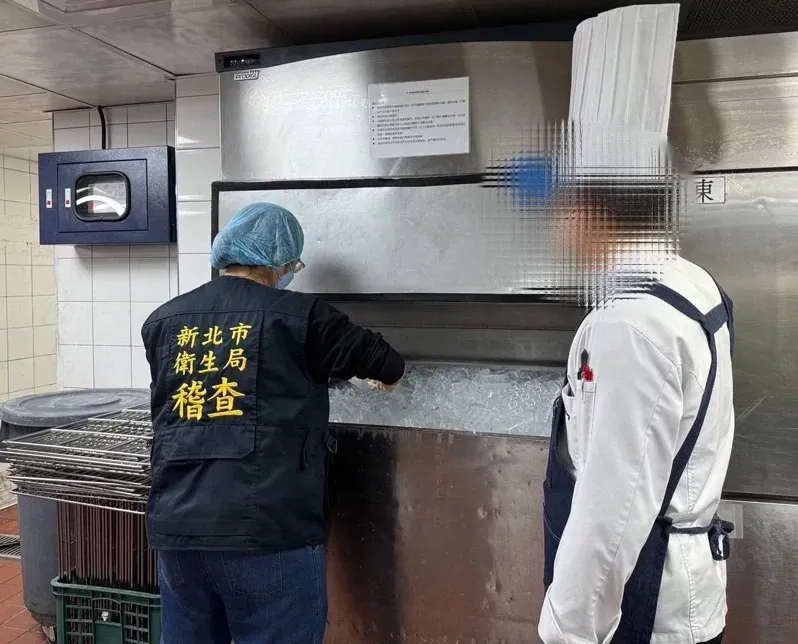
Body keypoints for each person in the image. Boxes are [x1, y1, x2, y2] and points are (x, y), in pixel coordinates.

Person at [141, 202, 405, 644]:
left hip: (178, 530)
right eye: (293, 265)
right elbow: (389, 365)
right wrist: (374, 382)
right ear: (279, 261)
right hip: (267, 531)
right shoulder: (303, 316)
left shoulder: (163, 320)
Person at [538, 181, 734, 644]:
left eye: (555, 208)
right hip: (685, 594)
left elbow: (612, 508)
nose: (551, 228)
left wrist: (569, 634)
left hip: (645, 611)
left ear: (585, 209)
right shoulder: (688, 280)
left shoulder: (629, 321)